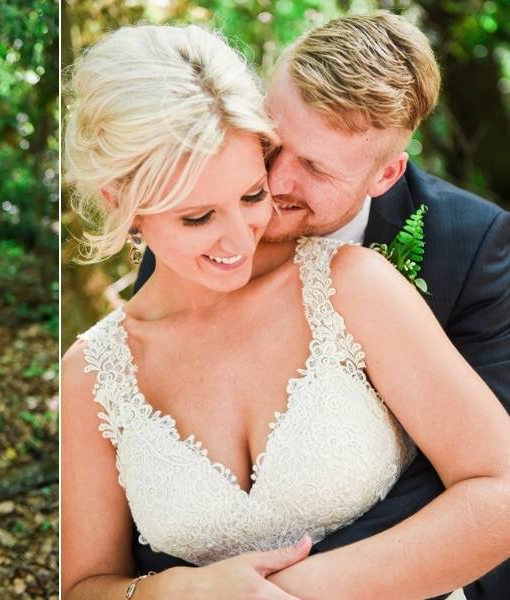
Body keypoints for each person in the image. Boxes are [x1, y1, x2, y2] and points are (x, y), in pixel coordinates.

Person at [61, 22, 510, 599]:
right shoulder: (97, 366)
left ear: (385, 175)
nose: (272, 190)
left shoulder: (369, 279)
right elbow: (87, 583)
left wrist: (285, 594)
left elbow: (489, 490)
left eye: (248, 195)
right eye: (270, 148)